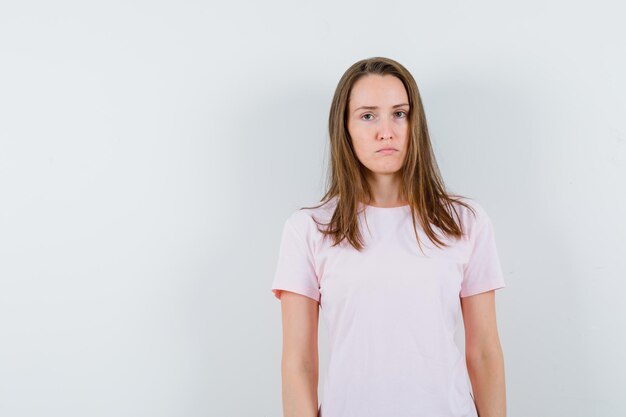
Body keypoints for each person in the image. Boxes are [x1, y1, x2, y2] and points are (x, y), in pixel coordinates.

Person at [270, 56, 507, 417]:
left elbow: (485, 352)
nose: (387, 131)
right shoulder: (309, 229)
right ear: (345, 127)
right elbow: (299, 364)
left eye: (399, 114)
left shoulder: (465, 222)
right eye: (368, 116)